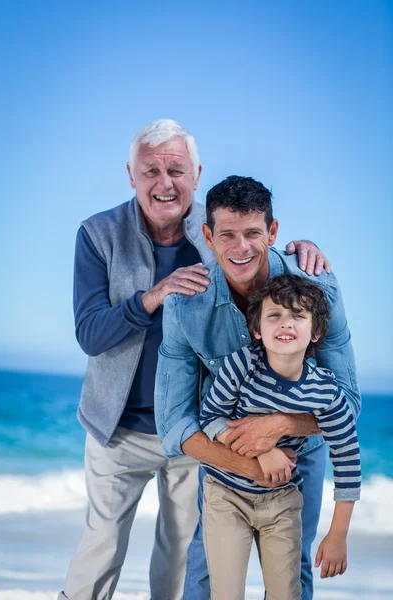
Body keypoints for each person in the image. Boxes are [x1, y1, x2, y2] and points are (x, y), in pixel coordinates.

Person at [58, 121, 323, 600]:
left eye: (176, 169)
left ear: (196, 174)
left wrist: (302, 252)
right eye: (151, 171)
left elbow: (256, 252)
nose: (165, 183)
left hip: (195, 425)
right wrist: (151, 298)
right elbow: (90, 334)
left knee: (180, 552)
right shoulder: (98, 234)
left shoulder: (214, 229)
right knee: (101, 546)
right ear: (131, 175)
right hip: (116, 428)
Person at [155, 175, 361, 600]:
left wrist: (277, 424)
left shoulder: (320, 289)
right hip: (226, 451)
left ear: (273, 233)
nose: (241, 247)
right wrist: (250, 462)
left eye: (253, 233)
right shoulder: (184, 305)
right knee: (206, 569)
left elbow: (348, 405)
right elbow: (174, 423)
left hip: (301, 453)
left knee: (291, 571)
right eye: (226, 234)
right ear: (208, 236)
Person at [199, 274, 361, 599]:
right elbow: (209, 417)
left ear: (315, 332)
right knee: (226, 593)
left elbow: (347, 457)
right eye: (274, 315)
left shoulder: (326, 392)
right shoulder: (241, 365)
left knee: (286, 594)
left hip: (282, 500)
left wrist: (338, 534)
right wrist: (261, 451)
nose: (285, 324)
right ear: (257, 329)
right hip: (226, 494)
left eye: (298, 316)